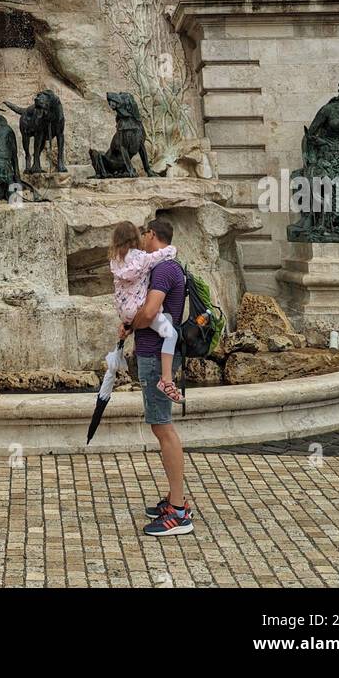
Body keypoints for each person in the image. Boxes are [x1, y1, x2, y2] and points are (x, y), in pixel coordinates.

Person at [118, 215, 193, 538]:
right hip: (155, 349)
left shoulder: (163, 270)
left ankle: (178, 511)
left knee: (163, 427)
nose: (140, 242)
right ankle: (174, 501)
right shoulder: (167, 267)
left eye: (144, 235)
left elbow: (150, 312)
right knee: (160, 425)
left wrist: (130, 324)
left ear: (152, 235)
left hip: (156, 351)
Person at [109, 220, 181, 402]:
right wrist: (172, 250)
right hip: (139, 309)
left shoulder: (115, 261)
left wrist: (129, 324)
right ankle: (166, 379)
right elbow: (148, 313)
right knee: (171, 334)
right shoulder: (143, 259)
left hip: (125, 310)